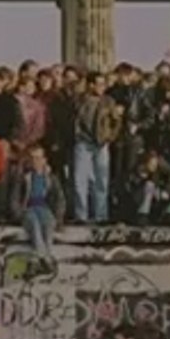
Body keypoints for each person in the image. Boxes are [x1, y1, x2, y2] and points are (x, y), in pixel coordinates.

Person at [72, 72, 122, 225]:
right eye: (98, 84)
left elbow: (116, 122)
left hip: (101, 143)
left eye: (103, 84)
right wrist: (78, 135)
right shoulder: (80, 99)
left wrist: (109, 137)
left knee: (101, 180)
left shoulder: (108, 101)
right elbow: (74, 119)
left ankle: (101, 215)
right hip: (83, 142)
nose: (101, 87)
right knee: (80, 180)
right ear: (91, 85)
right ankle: (81, 215)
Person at [10, 146, 65, 271]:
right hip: (29, 208)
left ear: (44, 160)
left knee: (48, 224)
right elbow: (15, 197)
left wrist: (59, 217)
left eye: (39, 158)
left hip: (44, 208)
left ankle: (42, 255)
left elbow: (60, 199)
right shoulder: (24, 177)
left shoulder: (51, 178)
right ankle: (46, 257)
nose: (36, 161)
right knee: (34, 225)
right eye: (33, 158)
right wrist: (18, 213)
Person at [123, 149, 170, 226]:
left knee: (152, 186)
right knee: (149, 185)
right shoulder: (138, 165)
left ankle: (163, 215)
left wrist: (167, 190)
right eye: (151, 164)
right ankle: (142, 215)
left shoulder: (161, 164)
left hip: (158, 190)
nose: (153, 167)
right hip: (140, 193)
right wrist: (140, 178)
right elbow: (128, 181)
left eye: (155, 164)